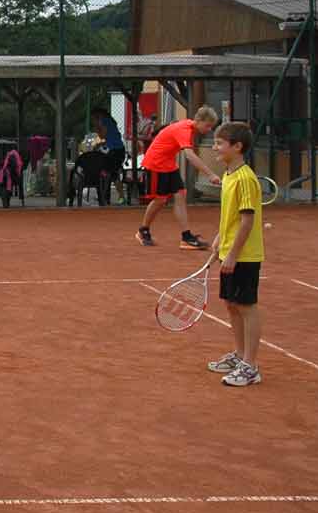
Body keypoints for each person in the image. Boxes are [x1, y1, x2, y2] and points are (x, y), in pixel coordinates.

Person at [206, 121, 265, 387]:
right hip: (230, 250)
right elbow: (230, 217)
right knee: (231, 304)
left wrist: (232, 255)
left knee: (246, 306)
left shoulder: (245, 179)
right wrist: (220, 239)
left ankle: (250, 366)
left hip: (245, 255)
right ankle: (240, 356)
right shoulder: (229, 176)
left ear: (237, 147)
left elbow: (247, 221)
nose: (214, 147)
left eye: (220, 143)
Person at [136, 105, 222, 249]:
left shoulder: (190, 128)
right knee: (160, 200)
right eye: (207, 126)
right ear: (199, 120)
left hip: (169, 165)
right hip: (156, 164)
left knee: (180, 196)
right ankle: (143, 231)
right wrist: (210, 174)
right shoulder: (185, 130)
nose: (209, 130)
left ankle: (186, 237)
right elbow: (189, 155)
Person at [91, 106, 127, 200]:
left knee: (108, 172)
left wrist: (97, 127)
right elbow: (109, 138)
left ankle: (107, 196)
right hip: (118, 150)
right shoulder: (109, 121)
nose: (93, 121)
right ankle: (113, 196)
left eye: (93, 118)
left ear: (98, 116)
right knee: (111, 173)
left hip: (116, 151)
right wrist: (100, 144)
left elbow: (103, 135)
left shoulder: (103, 121)